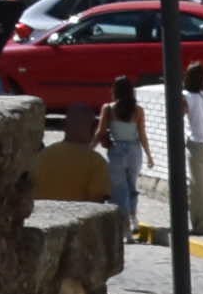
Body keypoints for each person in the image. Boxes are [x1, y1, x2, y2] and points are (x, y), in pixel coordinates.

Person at [34, 103, 113, 203]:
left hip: (43, 216)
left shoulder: (43, 155)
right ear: (93, 128)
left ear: (64, 126)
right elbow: (97, 201)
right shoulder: (97, 162)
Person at [101, 75, 150, 225]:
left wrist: (89, 148)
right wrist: (149, 155)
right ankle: (133, 217)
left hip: (116, 150)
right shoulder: (138, 110)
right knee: (132, 186)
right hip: (134, 150)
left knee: (119, 188)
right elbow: (142, 134)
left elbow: (100, 132)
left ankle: (124, 223)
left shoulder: (108, 108)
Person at [179, 65, 203, 232]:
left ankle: (199, 224)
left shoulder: (186, 96)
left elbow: (179, 115)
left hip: (196, 144)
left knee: (198, 187)